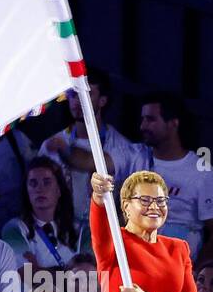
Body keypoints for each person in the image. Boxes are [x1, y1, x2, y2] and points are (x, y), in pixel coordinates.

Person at [133, 92, 213, 262]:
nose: (143, 126)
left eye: (151, 120)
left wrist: (196, 273)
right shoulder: (135, 156)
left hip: (177, 266)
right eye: (143, 120)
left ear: (173, 123)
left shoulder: (202, 173)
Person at [40, 69, 142, 224]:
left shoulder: (121, 147)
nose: (78, 101)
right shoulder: (51, 146)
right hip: (61, 232)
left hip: (102, 232)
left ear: (102, 100)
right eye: (74, 95)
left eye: (87, 94)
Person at [1, 156, 90, 270]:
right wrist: (71, 273)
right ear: (26, 191)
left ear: (59, 190)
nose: (39, 189)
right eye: (33, 183)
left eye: (46, 182)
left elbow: (89, 275)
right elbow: (27, 275)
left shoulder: (82, 229)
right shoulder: (14, 229)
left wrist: (41, 269)